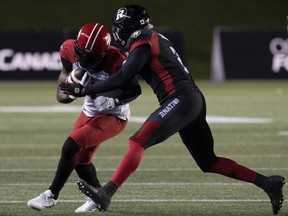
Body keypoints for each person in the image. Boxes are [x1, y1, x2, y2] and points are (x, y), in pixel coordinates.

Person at [60, 5, 285, 215]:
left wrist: (88, 90)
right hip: (192, 100)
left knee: (138, 142)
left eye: (119, 28)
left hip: (181, 99)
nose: (117, 33)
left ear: (129, 28)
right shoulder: (150, 38)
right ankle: (268, 183)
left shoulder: (142, 39)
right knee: (208, 162)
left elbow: (124, 76)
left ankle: (106, 192)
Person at [27, 22, 141, 213]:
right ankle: (98, 197)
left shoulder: (116, 60)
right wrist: (68, 95)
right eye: (82, 54)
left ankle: (51, 195)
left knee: (71, 146)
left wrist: (114, 101)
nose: (85, 60)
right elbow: (62, 86)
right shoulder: (69, 49)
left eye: (92, 57)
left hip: (113, 115)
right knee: (80, 160)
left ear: (104, 54)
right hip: (89, 110)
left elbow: (135, 90)